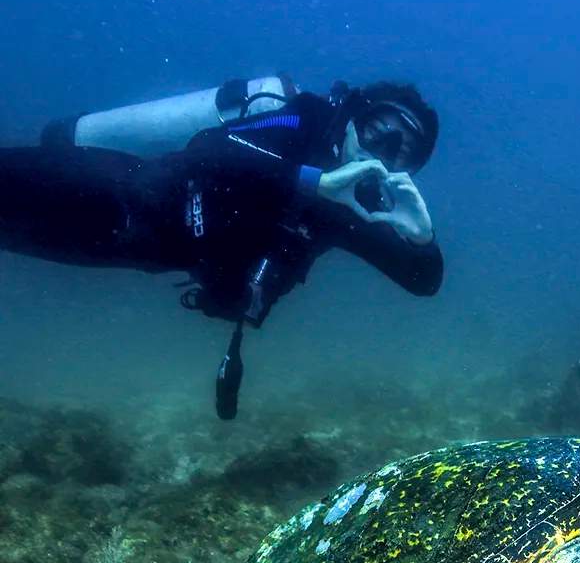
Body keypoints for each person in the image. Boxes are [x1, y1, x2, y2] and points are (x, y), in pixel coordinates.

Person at [0, 79, 444, 417]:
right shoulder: (301, 119)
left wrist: (422, 240)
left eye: (400, 152)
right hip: (121, 188)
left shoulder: (352, 211)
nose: (379, 153)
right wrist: (312, 181)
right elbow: (210, 148)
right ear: (351, 120)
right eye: (375, 132)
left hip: (130, 250)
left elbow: (424, 282)